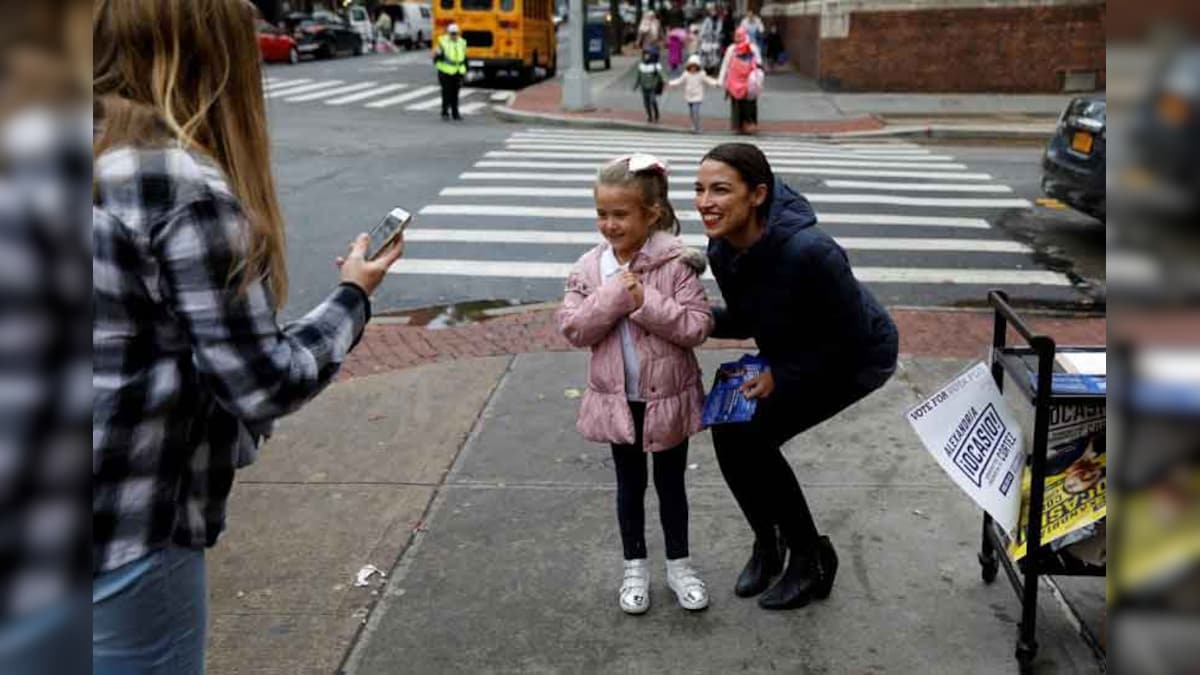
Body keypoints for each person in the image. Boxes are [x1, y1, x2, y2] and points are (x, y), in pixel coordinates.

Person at [91, 1, 406, 672]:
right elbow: (262, 381)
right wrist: (354, 295)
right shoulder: (179, 187)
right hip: (129, 530)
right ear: (215, 56)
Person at [694, 143, 899, 610]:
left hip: (858, 356)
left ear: (757, 194)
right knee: (727, 430)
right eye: (700, 189)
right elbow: (749, 318)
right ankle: (768, 546)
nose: (706, 202)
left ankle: (811, 558)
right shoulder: (723, 246)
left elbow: (852, 336)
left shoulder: (812, 252)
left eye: (721, 189)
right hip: (797, 348)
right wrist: (691, 320)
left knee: (756, 436)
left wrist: (782, 375)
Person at [556, 153, 713, 616]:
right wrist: (612, 297)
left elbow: (696, 327)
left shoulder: (675, 264)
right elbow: (574, 329)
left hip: (667, 398)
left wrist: (646, 301)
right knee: (629, 487)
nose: (609, 224)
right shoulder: (589, 269)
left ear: (652, 214)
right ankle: (635, 567)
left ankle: (680, 566)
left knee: (671, 486)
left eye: (620, 214)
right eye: (602, 214)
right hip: (618, 400)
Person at [718, 27, 762, 134]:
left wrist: (757, 78)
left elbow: (759, 62)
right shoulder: (732, 49)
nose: (737, 38)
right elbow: (726, 64)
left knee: (749, 103)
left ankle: (749, 124)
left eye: (739, 35)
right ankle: (739, 126)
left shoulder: (752, 47)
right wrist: (721, 79)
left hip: (748, 81)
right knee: (737, 104)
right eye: (736, 35)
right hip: (735, 81)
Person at [667, 54, 720, 133]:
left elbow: (708, 80)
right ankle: (694, 125)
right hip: (689, 96)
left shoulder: (701, 74)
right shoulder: (686, 74)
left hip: (698, 96)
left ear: (697, 66)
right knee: (692, 113)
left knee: (695, 112)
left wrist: (716, 83)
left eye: (695, 66)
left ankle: (698, 128)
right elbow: (679, 81)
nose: (693, 68)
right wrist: (671, 83)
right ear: (689, 66)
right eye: (691, 66)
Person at [433, 23, 467, 121]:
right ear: (448, 33)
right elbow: (436, 57)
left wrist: (465, 70)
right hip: (445, 72)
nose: (454, 35)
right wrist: (439, 65)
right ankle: (445, 112)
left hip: (457, 72)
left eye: (455, 33)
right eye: (452, 33)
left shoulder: (462, 42)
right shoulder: (443, 42)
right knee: (446, 93)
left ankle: (455, 113)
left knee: (455, 94)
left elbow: (464, 58)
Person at [633, 46, 665, 123]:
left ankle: (656, 114)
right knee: (646, 103)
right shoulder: (641, 65)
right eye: (645, 55)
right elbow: (638, 76)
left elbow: (662, 74)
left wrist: (665, 81)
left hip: (653, 87)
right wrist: (635, 85)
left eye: (648, 55)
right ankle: (649, 116)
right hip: (644, 87)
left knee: (653, 100)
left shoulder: (656, 65)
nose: (646, 56)